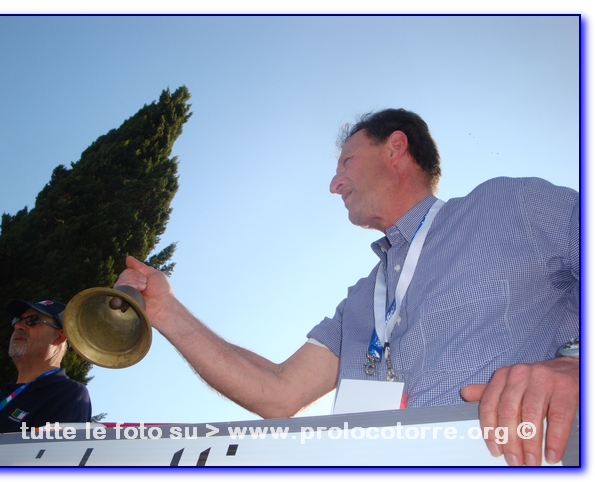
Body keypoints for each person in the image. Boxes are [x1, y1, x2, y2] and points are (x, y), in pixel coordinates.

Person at [115, 108, 579, 466]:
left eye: (347, 162)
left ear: (396, 148)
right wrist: (165, 311)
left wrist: (579, 367)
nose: (335, 183)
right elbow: (278, 392)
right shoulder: (361, 300)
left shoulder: (507, 205)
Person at [0, 299, 92, 435]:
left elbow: (60, 448)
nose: (18, 326)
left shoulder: (69, 394)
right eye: (17, 320)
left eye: (32, 320)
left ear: (60, 336)